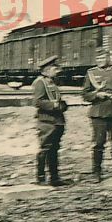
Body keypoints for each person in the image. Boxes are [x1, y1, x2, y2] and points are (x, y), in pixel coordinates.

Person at [83, 49, 112, 182]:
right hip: (98, 113)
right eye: (98, 59)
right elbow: (85, 94)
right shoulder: (91, 73)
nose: (100, 61)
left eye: (103, 58)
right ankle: (96, 172)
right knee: (98, 143)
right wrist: (96, 95)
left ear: (108, 58)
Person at [32, 55, 68, 186]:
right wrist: (54, 105)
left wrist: (62, 105)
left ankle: (54, 178)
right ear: (46, 70)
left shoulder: (52, 82)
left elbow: (57, 99)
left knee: (54, 149)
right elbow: (38, 101)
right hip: (46, 121)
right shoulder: (40, 83)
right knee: (45, 148)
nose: (57, 70)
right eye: (54, 68)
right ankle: (40, 178)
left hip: (57, 120)